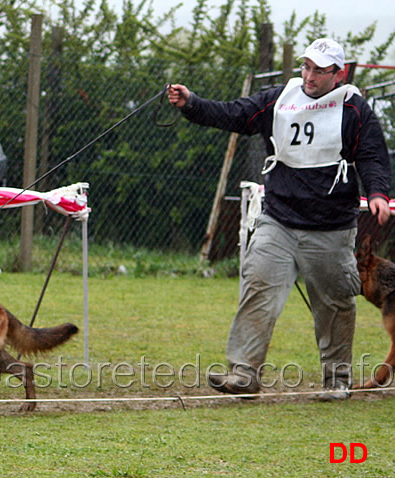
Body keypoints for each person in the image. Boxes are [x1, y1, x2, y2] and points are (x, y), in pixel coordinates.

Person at [168, 38, 392, 400]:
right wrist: (192, 104)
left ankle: (337, 380)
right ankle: (244, 375)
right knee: (258, 288)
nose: (309, 75)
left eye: (320, 70)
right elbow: (234, 114)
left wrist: (379, 193)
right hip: (278, 220)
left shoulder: (354, 109)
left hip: (331, 228)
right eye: (306, 66)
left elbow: (372, 157)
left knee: (334, 303)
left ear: (339, 74)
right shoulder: (279, 98)